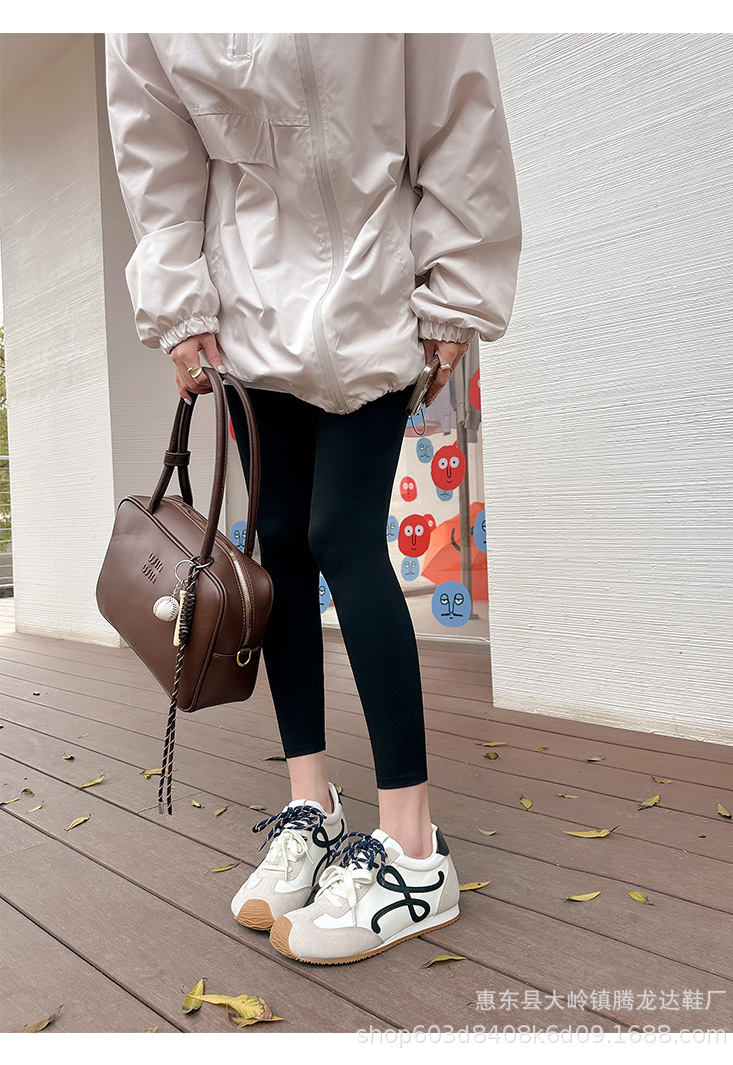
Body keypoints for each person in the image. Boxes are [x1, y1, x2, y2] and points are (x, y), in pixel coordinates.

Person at [105, 32, 521, 966]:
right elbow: (153, 143)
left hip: (376, 286)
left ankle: (415, 850)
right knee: (281, 542)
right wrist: (179, 306)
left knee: (342, 535)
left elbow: (457, 107)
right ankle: (312, 807)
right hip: (247, 302)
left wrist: (454, 294)